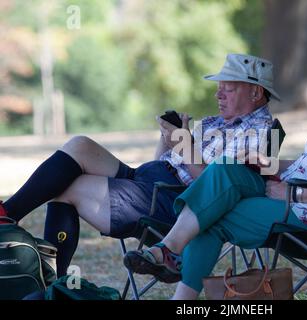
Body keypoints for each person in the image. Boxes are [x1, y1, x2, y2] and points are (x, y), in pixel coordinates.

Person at [123, 33, 307, 299]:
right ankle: (168, 251)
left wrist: (292, 194)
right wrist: (271, 163)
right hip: (291, 190)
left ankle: (170, 263)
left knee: (213, 216)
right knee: (227, 166)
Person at [0, 53, 281, 278]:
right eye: (218, 88)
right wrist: (168, 138)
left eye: (228, 89)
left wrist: (184, 145)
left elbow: (214, 187)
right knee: (79, 144)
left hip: (174, 201)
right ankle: (7, 214)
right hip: (151, 178)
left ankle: (55, 280)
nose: (218, 95)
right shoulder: (214, 122)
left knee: (67, 188)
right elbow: (164, 162)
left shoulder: (259, 132)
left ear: (256, 92)